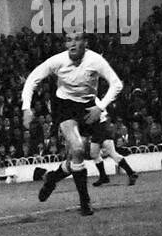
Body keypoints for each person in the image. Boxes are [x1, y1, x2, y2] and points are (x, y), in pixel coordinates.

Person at [21, 31, 123, 216]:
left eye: (77, 39)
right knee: (77, 149)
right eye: (69, 40)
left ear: (85, 42)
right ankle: (85, 202)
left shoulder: (96, 61)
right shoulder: (58, 61)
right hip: (65, 107)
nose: (73, 44)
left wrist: (100, 108)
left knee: (77, 157)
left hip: (90, 107)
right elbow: (32, 79)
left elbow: (117, 84)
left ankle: (52, 178)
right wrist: (26, 108)